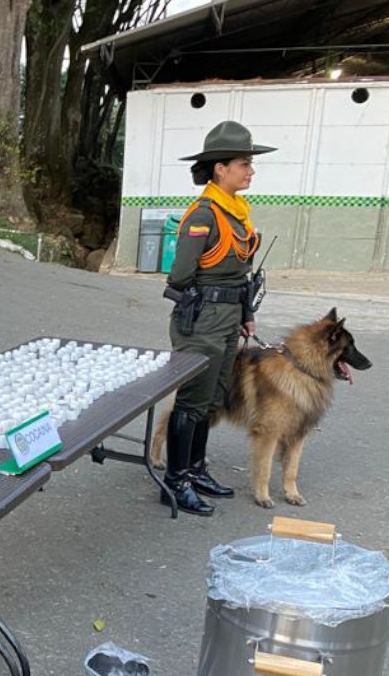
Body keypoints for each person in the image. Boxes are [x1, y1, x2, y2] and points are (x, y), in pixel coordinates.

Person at [162, 121, 273, 517]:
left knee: (211, 401)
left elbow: (240, 271)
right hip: (204, 320)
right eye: (244, 163)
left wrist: (245, 314)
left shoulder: (237, 213)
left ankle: (195, 469)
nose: (251, 170)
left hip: (227, 319)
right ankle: (174, 482)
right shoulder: (204, 215)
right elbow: (179, 275)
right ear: (220, 169)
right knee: (192, 402)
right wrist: (211, 304)